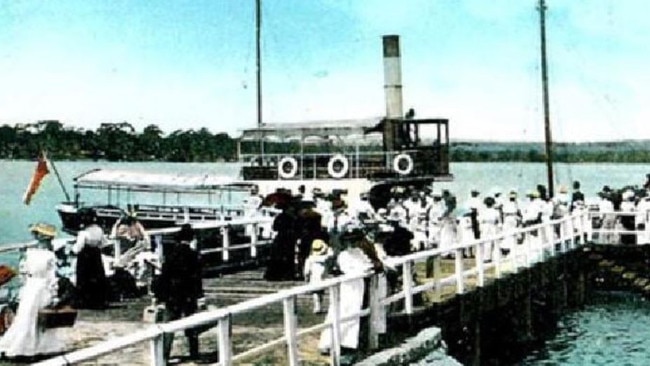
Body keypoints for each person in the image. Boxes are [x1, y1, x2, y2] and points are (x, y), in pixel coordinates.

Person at [0, 223, 65, 360]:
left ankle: (19, 345)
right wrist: (54, 295)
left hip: (31, 286)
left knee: (25, 317)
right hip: (42, 287)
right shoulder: (50, 256)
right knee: (39, 319)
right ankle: (40, 347)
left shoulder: (30, 253)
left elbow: (24, 272)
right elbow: (52, 278)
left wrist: (25, 287)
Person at [318, 228, 373, 355]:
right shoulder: (343, 255)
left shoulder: (359, 252)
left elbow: (367, 264)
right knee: (341, 312)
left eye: (355, 240)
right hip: (348, 286)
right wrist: (365, 269)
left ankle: (348, 342)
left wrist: (368, 268)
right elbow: (349, 271)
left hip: (358, 285)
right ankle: (330, 342)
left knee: (354, 313)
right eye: (350, 241)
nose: (353, 243)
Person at [155, 223, 204, 361]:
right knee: (192, 325)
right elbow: (197, 278)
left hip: (172, 293)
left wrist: (159, 295)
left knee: (169, 326)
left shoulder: (171, 255)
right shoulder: (194, 255)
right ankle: (194, 353)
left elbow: (164, 276)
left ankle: (164, 356)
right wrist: (200, 295)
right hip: (189, 293)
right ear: (192, 239)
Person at [72, 209, 109, 309]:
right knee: (97, 277)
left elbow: (78, 247)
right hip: (96, 254)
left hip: (85, 255)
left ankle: (84, 301)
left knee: (84, 278)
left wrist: (73, 250)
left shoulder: (83, 232)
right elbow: (104, 243)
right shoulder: (99, 230)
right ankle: (97, 301)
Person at [303, 239, 332, 313]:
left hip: (314, 278)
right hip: (322, 278)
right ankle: (319, 306)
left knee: (316, 293)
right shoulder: (325, 258)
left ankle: (317, 306)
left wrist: (306, 278)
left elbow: (307, 271)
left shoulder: (310, 259)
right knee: (320, 293)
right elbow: (331, 254)